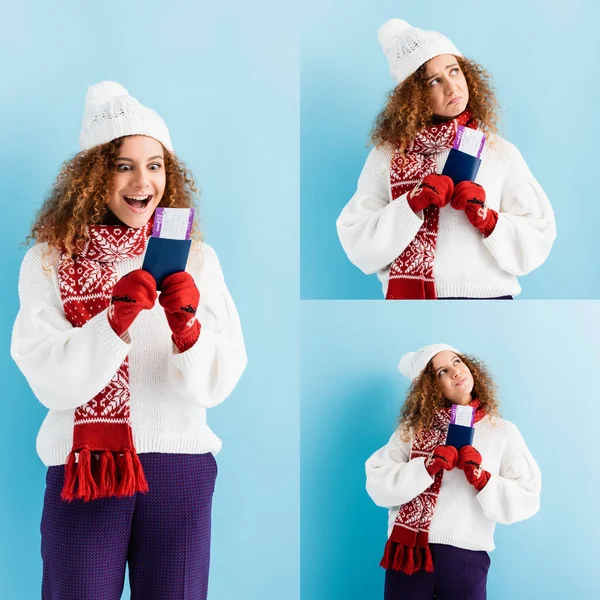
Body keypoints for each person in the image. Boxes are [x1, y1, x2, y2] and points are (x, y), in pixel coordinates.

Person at [10, 81, 247, 600]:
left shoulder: (198, 260)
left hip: (178, 467)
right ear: (95, 176)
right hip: (85, 470)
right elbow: (48, 377)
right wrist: (113, 322)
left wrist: (188, 329)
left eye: (156, 164)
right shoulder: (48, 262)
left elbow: (221, 377)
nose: (144, 180)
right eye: (123, 165)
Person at [336, 19, 556, 299]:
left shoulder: (499, 151)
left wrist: (487, 218)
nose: (452, 88)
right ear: (413, 96)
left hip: (490, 299)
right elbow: (356, 240)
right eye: (435, 81)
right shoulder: (388, 155)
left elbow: (539, 232)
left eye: (454, 71)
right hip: (411, 301)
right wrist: (412, 203)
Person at [366, 344, 541, 599]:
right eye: (442, 372)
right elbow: (377, 481)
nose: (455, 372)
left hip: (465, 557)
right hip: (408, 555)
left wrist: (483, 479)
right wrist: (426, 467)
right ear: (431, 387)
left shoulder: (502, 431)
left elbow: (528, 494)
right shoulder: (413, 429)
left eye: (457, 361)